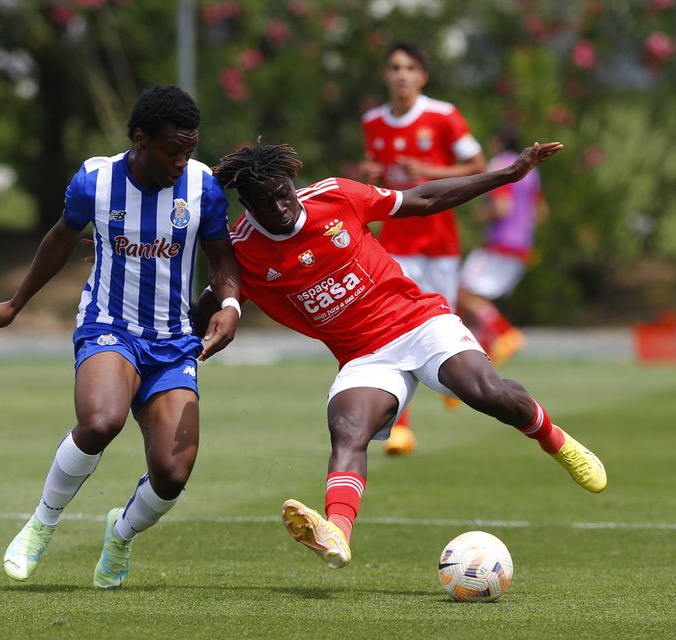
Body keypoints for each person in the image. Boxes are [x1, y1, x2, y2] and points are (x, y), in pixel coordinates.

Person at [205, 141, 606, 570]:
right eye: (265, 202)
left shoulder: (334, 195)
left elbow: (424, 198)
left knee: (487, 392)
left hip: (418, 323)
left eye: (283, 192)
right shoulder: (241, 249)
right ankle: (337, 531)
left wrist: (506, 175)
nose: (280, 206)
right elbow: (213, 300)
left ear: (291, 183)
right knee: (346, 429)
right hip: (364, 357)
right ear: (245, 204)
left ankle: (554, 440)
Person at [0, 85, 241, 589]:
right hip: (109, 324)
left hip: (173, 340)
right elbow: (60, 239)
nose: (181, 160)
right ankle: (41, 524)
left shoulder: (202, 187)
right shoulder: (94, 181)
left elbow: (222, 257)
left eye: (189, 149)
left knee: (172, 473)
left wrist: (229, 305)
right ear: (140, 139)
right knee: (101, 421)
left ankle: (120, 534)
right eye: (173, 149)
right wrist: (15, 303)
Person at [360, 42, 488, 456]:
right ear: (385, 74)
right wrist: (371, 174)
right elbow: (375, 172)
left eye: (410, 67)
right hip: (396, 240)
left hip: (439, 240)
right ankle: (401, 427)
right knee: (399, 328)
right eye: (395, 67)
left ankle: (454, 377)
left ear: (422, 76)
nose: (402, 74)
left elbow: (478, 167)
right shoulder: (373, 122)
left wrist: (431, 171)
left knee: (444, 321)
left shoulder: (444, 115)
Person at [457, 125, 548, 367]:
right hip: (522, 245)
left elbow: (501, 207)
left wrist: (481, 215)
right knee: (481, 296)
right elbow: (541, 212)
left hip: (500, 243)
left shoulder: (500, 164)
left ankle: (505, 333)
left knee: (461, 291)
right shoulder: (531, 170)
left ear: (497, 141)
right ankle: (486, 350)